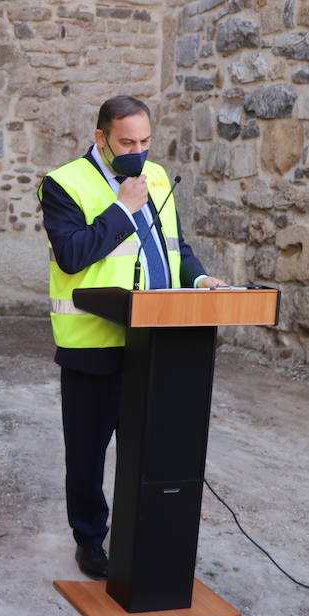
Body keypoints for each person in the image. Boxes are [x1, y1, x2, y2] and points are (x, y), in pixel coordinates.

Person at [39, 95, 226, 580]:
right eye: (127, 142)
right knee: (87, 454)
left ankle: (146, 534)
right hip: (93, 345)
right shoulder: (63, 184)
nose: (138, 151)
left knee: (155, 450)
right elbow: (72, 255)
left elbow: (173, 246)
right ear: (101, 137)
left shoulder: (159, 177)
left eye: (145, 141)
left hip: (161, 341)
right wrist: (122, 209)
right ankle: (89, 539)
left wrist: (199, 279)